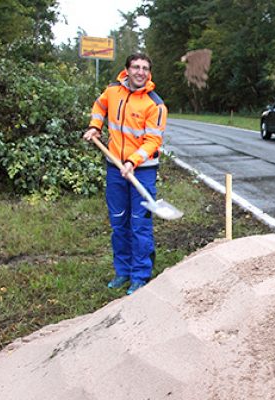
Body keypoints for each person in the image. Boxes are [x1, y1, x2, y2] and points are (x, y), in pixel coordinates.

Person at [82, 53, 167, 295]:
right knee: (119, 221)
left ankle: (140, 275)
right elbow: (99, 108)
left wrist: (132, 161)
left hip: (143, 171)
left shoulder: (155, 104)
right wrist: (94, 126)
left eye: (145, 68)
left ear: (149, 73)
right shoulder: (112, 91)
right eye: (136, 67)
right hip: (114, 167)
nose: (140, 72)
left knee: (139, 224)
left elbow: (152, 141)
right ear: (126, 70)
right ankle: (123, 271)